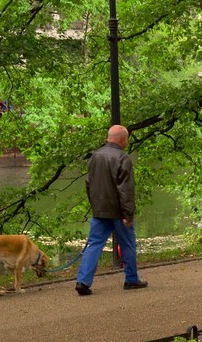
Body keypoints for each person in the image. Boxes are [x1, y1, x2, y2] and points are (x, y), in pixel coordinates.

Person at [75, 125, 148, 295]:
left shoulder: (95, 156)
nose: (127, 142)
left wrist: (95, 206)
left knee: (93, 245)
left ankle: (83, 281)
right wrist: (128, 214)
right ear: (123, 139)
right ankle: (131, 280)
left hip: (99, 211)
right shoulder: (123, 158)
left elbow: (88, 184)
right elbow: (126, 190)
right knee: (128, 244)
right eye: (127, 139)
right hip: (118, 212)